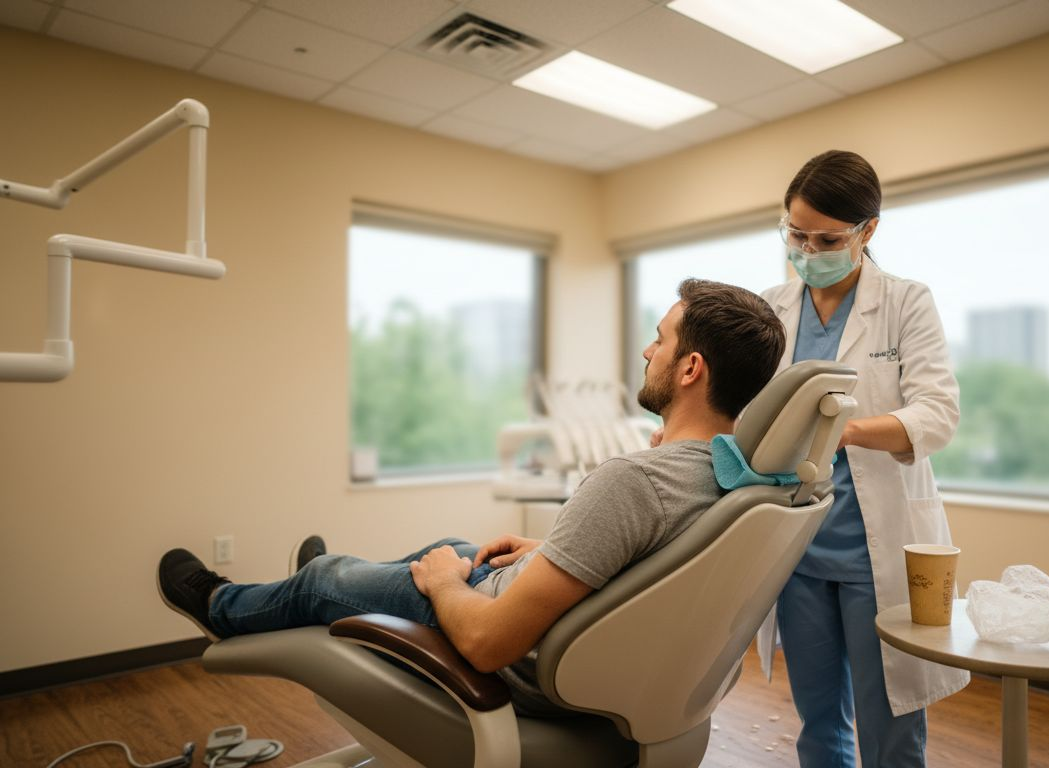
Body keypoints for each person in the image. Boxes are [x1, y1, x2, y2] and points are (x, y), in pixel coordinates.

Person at [157, 278, 786, 716]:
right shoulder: (738, 477)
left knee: (335, 577)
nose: (647, 351)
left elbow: (488, 644)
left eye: (660, 339)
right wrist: (554, 550)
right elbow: (664, 569)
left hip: (515, 657)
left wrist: (443, 587)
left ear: (690, 368)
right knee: (450, 546)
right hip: (566, 627)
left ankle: (226, 604)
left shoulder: (635, 479)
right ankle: (331, 588)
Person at [760, 150, 967, 767]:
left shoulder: (905, 302)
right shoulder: (771, 307)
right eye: (796, 234)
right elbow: (746, 410)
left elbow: (937, 414)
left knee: (890, 719)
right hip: (796, 546)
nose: (808, 250)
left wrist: (840, 430)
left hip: (875, 549)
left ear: (867, 230)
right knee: (818, 717)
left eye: (827, 240)